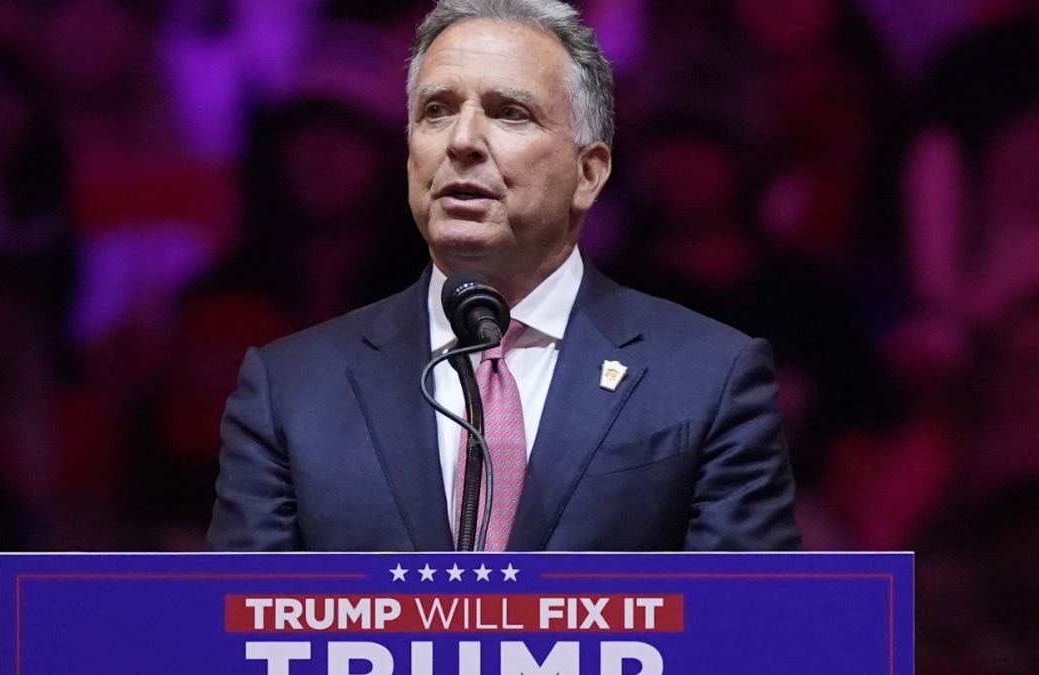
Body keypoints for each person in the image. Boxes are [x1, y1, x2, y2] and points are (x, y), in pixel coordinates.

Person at [208, 0, 799, 552]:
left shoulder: (709, 379)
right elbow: (239, 636)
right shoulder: (289, 391)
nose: (463, 142)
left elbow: (745, 633)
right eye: (436, 111)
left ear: (588, 173)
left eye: (510, 113)